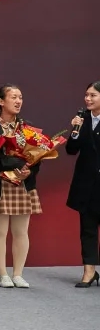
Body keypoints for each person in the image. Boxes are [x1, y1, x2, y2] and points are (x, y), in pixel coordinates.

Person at [0, 85, 43, 289]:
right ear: (1, 102)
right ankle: (3, 274)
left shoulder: (27, 127)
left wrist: (29, 171)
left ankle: (18, 274)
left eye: (20, 97)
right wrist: (19, 163)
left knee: (21, 232)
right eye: (13, 97)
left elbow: (38, 155)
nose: (18, 101)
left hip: (23, 184)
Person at [67, 81, 100, 288]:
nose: (88, 99)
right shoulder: (83, 119)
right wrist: (75, 130)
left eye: (93, 95)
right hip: (87, 184)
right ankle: (89, 272)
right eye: (86, 95)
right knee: (87, 229)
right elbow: (71, 150)